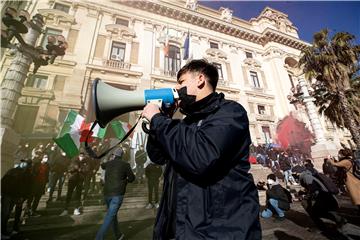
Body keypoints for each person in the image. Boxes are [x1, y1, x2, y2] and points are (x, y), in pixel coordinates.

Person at [142, 59, 261, 239]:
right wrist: (161, 119)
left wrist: (159, 121)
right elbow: (157, 156)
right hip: (180, 228)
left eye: (181, 82)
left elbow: (201, 157)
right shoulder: (186, 122)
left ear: (200, 79)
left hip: (218, 231)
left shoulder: (230, 112)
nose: (177, 89)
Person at [96, 148, 135, 240]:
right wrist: (125, 181)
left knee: (112, 215)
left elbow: (102, 165)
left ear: (114, 155)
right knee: (110, 216)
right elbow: (132, 178)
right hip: (117, 193)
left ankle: (118, 235)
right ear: (122, 155)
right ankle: (98, 238)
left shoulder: (108, 163)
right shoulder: (125, 165)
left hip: (107, 192)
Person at [1, 160, 33, 239]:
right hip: (9, 195)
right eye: (23, 162)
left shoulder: (27, 173)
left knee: (10, 213)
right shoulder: (13, 171)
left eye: (27, 163)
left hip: (16, 196)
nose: (24, 164)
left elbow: (27, 187)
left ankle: (8, 230)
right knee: (5, 214)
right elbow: (3, 182)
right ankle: (2, 231)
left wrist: (23, 197)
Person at [328, 149, 360, 215]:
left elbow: (335, 164)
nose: (338, 155)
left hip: (352, 182)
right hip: (354, 180)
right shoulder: (349, 160)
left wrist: (329, 159)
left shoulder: (346, 161)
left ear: (343, 154)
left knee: (357, 197)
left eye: (339, 154)